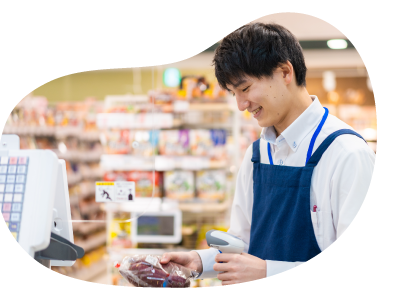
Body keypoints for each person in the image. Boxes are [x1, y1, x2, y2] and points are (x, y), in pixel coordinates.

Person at [161, 22, 375, 285]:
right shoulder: (256, 154)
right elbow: (242, 241)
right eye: (233, 93)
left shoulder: (346, 154)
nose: (241, 105)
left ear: (285, 72)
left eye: (245, 88)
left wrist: (266, 271)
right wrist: (199, 262)